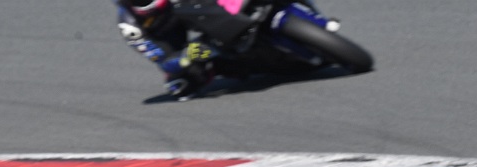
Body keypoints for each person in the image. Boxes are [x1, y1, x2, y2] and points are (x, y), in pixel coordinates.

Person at [114, 0, 322, 99]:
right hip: (177, 37)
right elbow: (162, 59)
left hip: (203, 10)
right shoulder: (132, 26)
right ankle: (229, 60)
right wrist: (188, 56)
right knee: (182, 82)